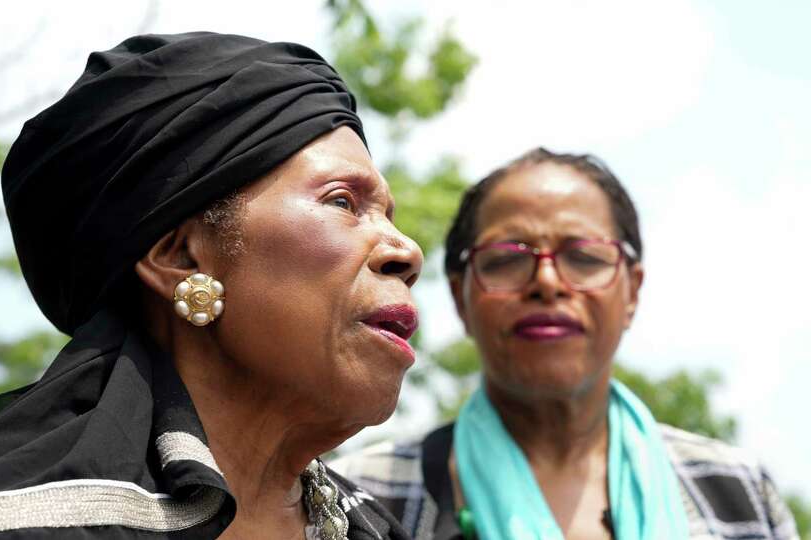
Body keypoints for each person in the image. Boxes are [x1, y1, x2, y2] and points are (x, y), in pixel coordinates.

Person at [0, 32, 424, 540]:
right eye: (342, 202)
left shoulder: (372, 528)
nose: (406, 251)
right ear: (180, 256)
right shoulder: (10, 528)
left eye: (389, 214)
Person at [333, 148, 798, 539]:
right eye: (508, 259)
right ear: (460, 296)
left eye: (583, 256)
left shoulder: (737, 493)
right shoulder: (363, 498)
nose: (547, 282)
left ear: (632, 292)